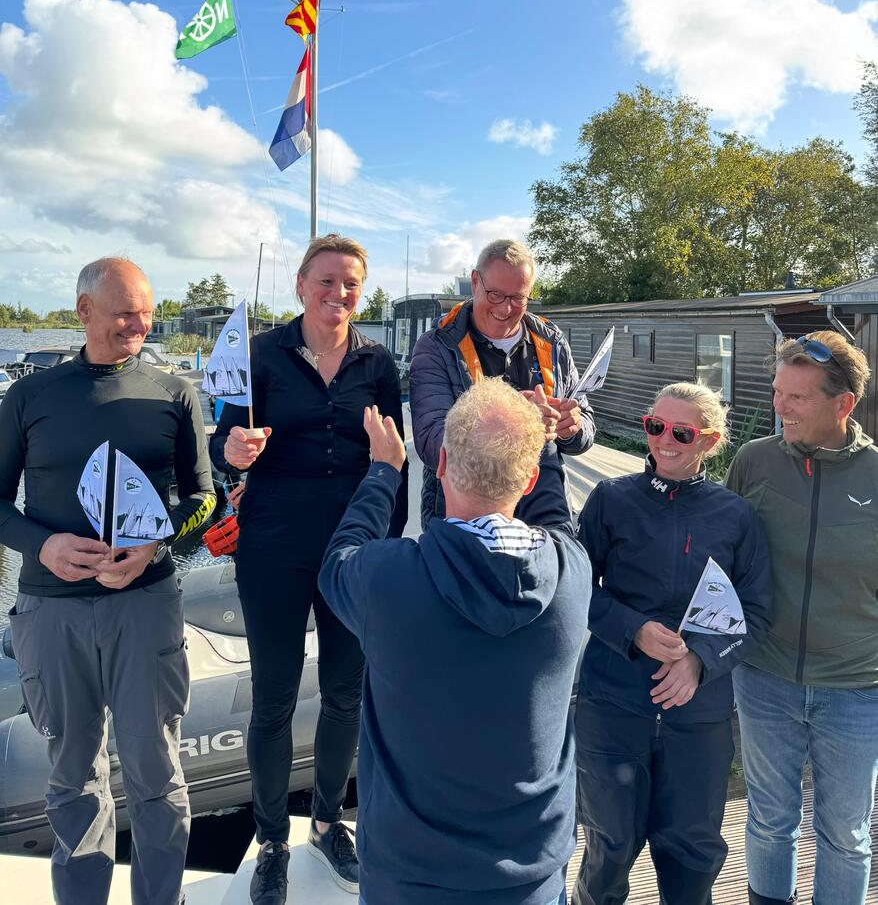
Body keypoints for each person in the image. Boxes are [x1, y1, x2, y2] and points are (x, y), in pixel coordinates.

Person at [319, 376, 592, 905]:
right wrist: (546, 446)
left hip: (407, 879)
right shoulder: (570, 574)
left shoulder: (388, 581)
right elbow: (556, 518)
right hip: (532, 878)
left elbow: (339, 558)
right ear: (529, 480)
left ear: (440, 463)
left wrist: (383, 470)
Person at [0, 256, 216, 905]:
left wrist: (155, 546)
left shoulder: (173, 393)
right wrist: (44, 544)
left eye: (146, 313)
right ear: (83, 310)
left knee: (157, 773)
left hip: (145, 605)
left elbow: (204, 501)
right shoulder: (29, 396)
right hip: (51, 610)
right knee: (73, 778)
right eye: (124, 313)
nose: (138, 325)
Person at [209, 233, 406, 904]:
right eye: (326, 280)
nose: (338, 293)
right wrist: (232, 451)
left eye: (351, 283)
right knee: (274, 695)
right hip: (273, 544)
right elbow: (222, 438)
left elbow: (393, 461)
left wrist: (388, 544)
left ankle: (326, 822)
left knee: (347, 691)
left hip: (353, 547)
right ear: (300, 285)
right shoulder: (261, 355)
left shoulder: (378, 363)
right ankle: (271, 840)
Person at [573, 381, 772, 905]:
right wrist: (632, 628)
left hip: (697, 715)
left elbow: (757, 611)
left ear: (709, 441)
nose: (664, 440)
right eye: (655, 426)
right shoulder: (611, 499)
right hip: (613, 704)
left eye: (681, 433)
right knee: (610, 847)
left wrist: (700, 662)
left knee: (692, 851)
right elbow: (574, 586)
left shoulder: (736, 516)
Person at [725, 331, 878, 905]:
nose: (779, 407)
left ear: (843, 404)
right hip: (764, 677)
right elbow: (724, 552)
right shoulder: (754, 460)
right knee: (769, 820)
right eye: (777, 391)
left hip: (856, 688)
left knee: (845, 835)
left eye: (797, 397)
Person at [410, 238, 595, 529]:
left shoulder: (552, 342)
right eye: (495, 294)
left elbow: (586, 423)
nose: (506, 308)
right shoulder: (437, 346)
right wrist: (518, 421)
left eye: (518, 298)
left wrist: (571, 427)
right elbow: (431, 441)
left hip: (544, 516)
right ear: (475, 282)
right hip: (463, 521)